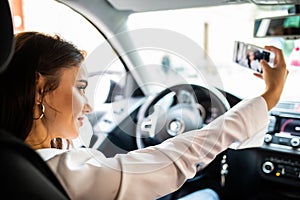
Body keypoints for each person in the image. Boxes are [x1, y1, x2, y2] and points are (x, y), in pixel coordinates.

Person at [0, 31, 288, 200]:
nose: (87, 106)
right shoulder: (62, 170)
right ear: (40, 90)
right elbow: (174, 160)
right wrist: (268, 97)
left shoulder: (20, 158)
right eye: (80, 88)